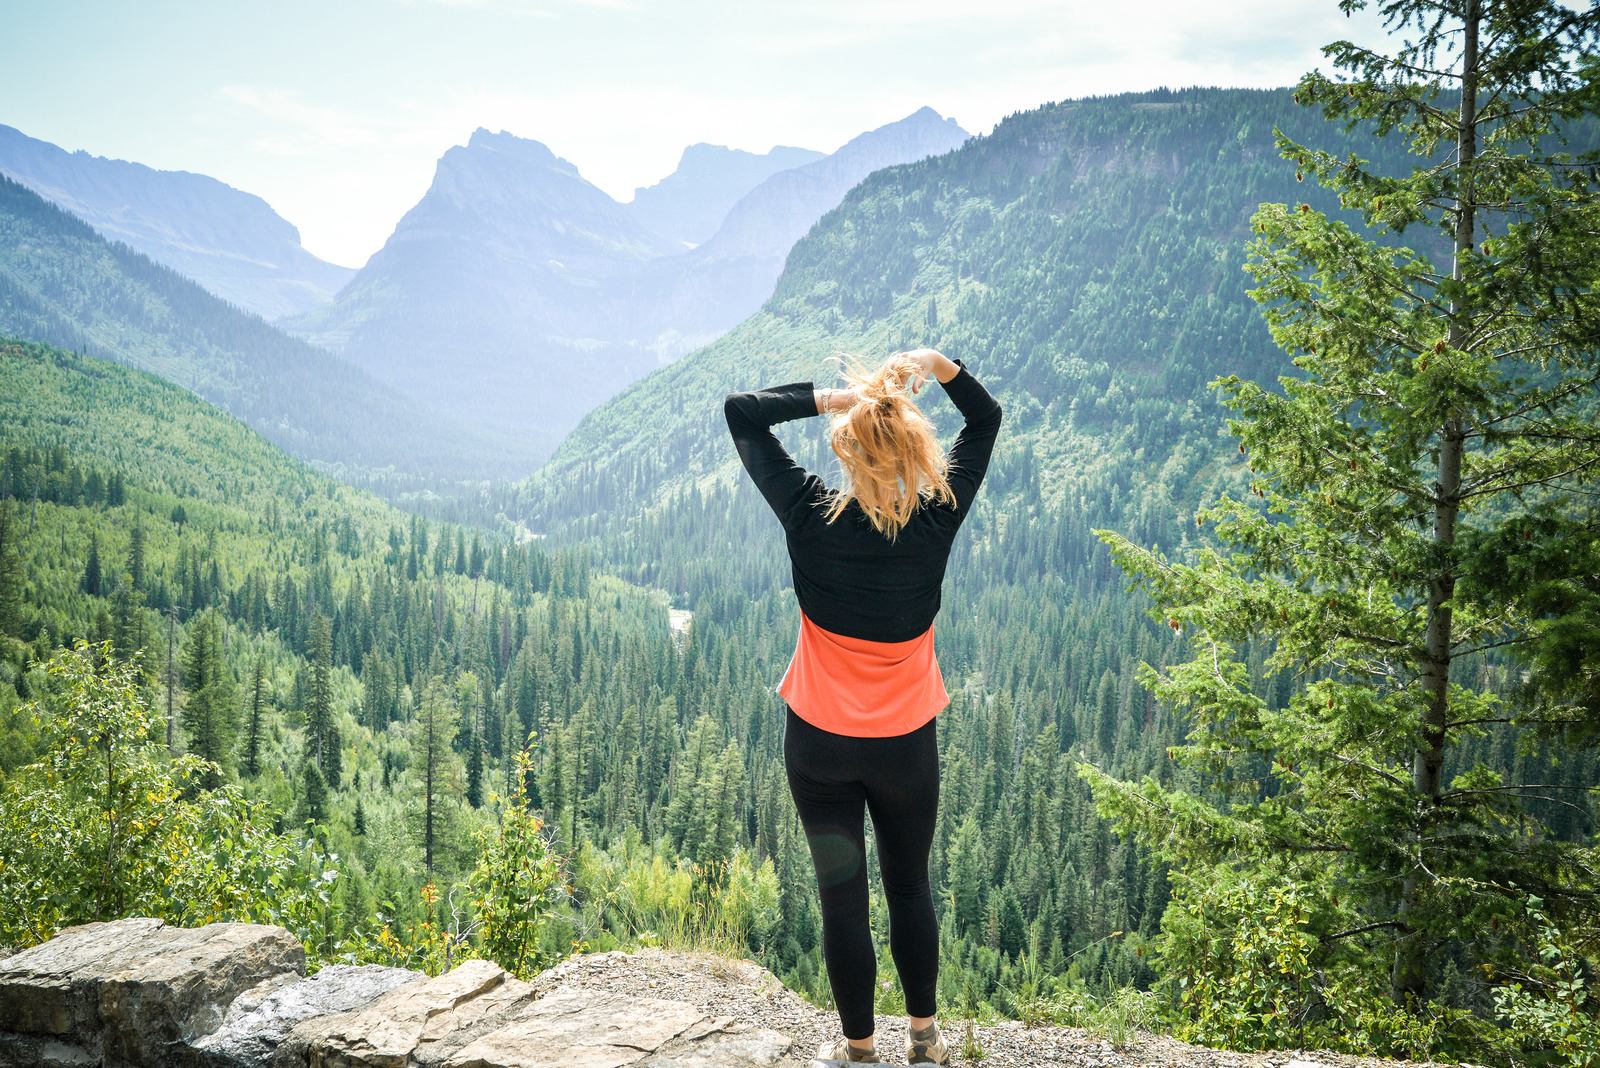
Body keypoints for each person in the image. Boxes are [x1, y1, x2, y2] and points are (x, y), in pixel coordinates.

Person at [723, 347, 1003, 1065]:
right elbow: (985, 417)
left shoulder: (810, 513)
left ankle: (858, 1053)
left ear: (849, 450)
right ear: (913, 447)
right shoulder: (937, 516)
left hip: (819, 745)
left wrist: (839, 399)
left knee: (841, 901)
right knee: (910, 885)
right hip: (905, 746)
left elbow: (743, 412)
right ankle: (925, 1043)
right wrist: (940, 365)